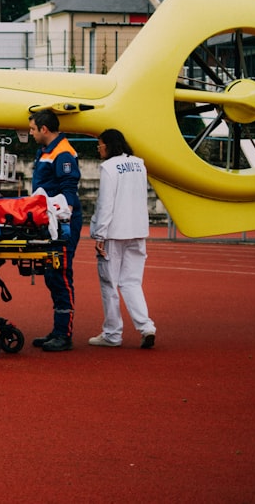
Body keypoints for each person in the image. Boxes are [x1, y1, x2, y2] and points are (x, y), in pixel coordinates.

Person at [88, 128, 157, 349]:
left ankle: (112, 333)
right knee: (132, 282)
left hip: (114, 232)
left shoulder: (109, 167)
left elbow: (106, 202)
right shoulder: (139, 164)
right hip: (138, 230)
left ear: (107, 145)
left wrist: (99, 233)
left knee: (109, 283)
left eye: (99, 144)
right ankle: (146, 326)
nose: (98, 148)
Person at [28, 109, 83, 352]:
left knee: (60, 273)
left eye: (32, 129)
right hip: (49, 218)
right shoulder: (47, 152)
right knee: (52, 274)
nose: (30, 134)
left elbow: (69, 187)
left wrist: (65, 222)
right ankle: (58, 330)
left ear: (44, 129)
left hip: (61, 221)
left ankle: (64, 333)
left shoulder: (63, 153)